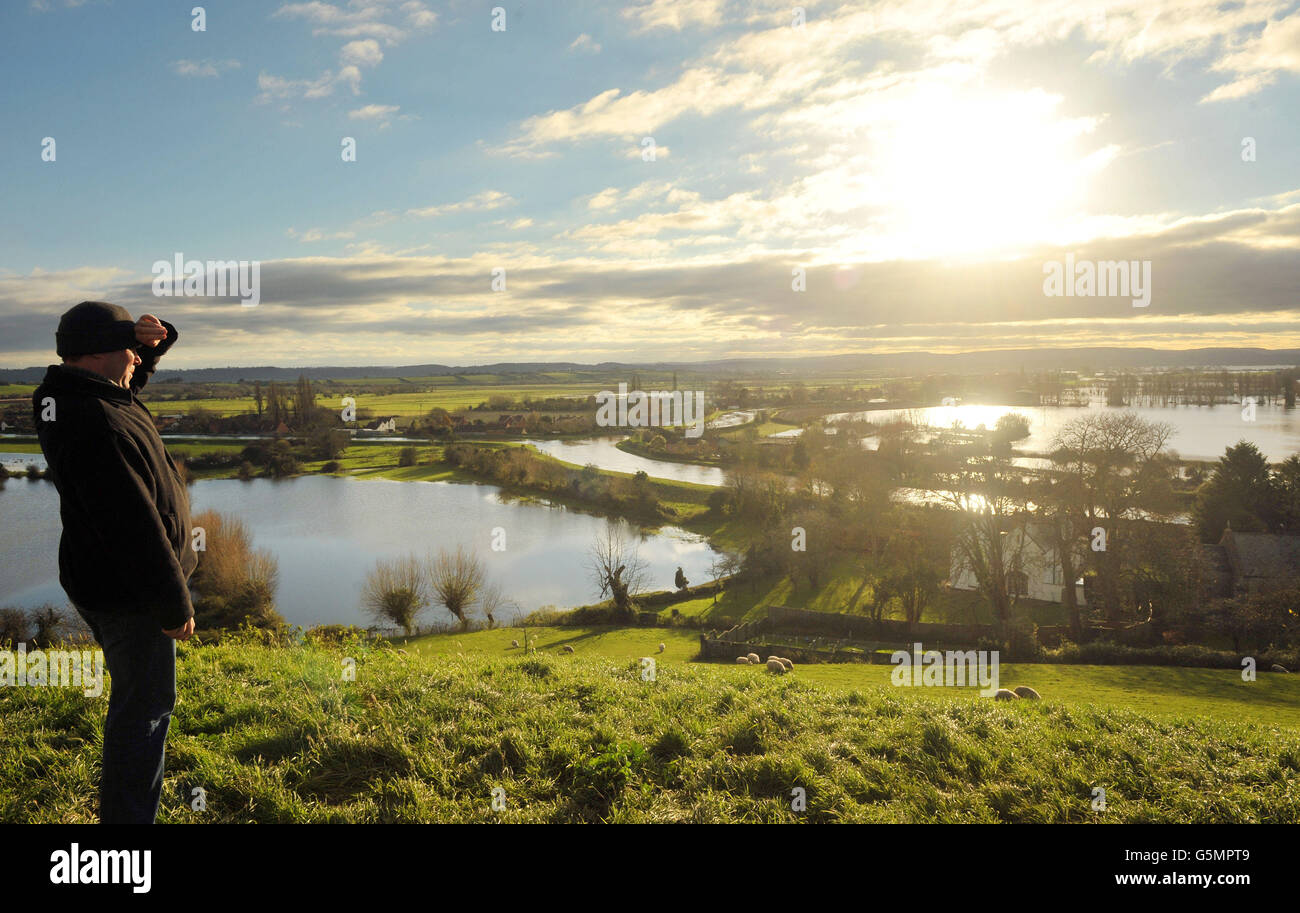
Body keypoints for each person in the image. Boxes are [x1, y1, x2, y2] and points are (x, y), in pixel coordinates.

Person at [32, 301, 197, 824]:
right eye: (129, 349)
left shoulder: (70, 395)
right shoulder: (95, 421)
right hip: (131, 594)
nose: (136, 360)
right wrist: (172, 604)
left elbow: (127, 384)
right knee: (144, 712)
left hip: (105, 580)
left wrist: (153, 345)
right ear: (101, 353)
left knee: (139, 703)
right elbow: (133, 528)